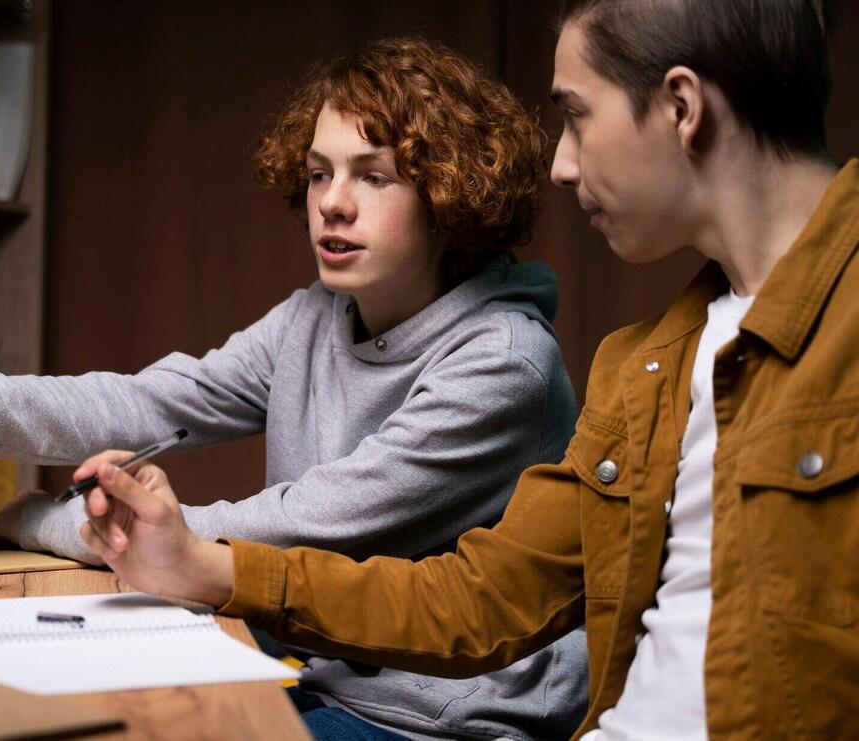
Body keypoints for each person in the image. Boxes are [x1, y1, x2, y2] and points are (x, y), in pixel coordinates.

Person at [0, 38, 588, 741]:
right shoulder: (314, 316)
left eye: (373, 175)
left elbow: (299, 524)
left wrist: (33, 521)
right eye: (320, 171)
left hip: (441, 719)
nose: (331, 204)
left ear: (450, 193)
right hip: (316, 670)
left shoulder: (501, 361)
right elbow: (146, 403)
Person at [65, 1, 858, 739]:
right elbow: (484, 596)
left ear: (682, 108)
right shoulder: (647, 362)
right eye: (320, 173)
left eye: (577, 117)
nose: (562, 166)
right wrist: (209, 565)